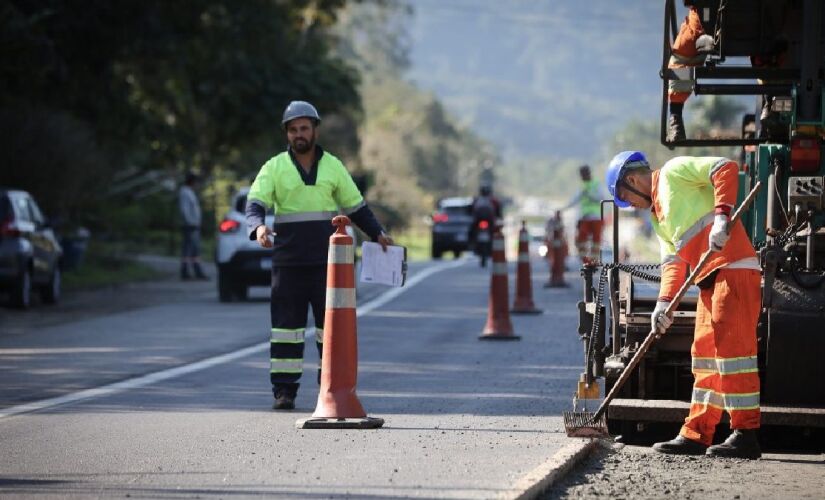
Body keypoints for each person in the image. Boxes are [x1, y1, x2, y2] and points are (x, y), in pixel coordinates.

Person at [606, 151, 762, 460]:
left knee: (733, 353)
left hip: (733, 268)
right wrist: (663, 304)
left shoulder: (675, 172)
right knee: (704, 355)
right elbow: (673, 264)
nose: (631, 206)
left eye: (626, 199)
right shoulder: (658, 216)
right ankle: (697, 433)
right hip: (709, 280)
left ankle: (746, 433)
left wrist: (721, 217)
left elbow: (724, 168)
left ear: (633, 180)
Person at [245, 100, 393, 411]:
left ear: (314, 130)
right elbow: (255, 203)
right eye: (293, 130)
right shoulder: (274, 167)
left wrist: (377, 233)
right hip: (288, 264)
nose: (299, 134)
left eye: (304, 128)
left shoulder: (333, 167)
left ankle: (329, 387)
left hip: (328, 266)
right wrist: (258, 228)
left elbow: (356, 207)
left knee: (330, 331)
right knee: (286, 330)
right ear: (287, 134)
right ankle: (284, 392)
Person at [666, 0, 714, 142]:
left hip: (704, 30)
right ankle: (771, 104)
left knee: (679, 61)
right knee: (770, 56)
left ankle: (676, 121)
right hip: (753, 32)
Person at [562, 165, 606, 265]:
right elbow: (574, 200)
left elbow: (601, 197)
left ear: (588, 173)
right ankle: (585, 261)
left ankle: (594, 261)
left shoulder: (596, 184)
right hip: (584, 217)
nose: (582, 177)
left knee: (596, 241)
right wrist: (563, 209)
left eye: (583, 174)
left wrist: (589, 194)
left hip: (596, 217)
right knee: (580, 240)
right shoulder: (582, 186)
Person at [178, 172, 209, 280]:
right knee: (189, 249)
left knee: (194, 249)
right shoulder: (185, 193)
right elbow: (185, 210)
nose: (198, 185)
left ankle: (196, 270)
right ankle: (186, 271)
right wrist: (190, 222)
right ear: (193, 182)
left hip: (194, 225)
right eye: (197, 182)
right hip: (190, 226)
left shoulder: (189, 192)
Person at [470, 184, 502, 267]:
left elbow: (498, 211)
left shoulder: (480, 200)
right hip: (481, 221)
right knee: (471, 231)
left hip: (487, 222)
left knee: (495, 232)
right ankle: (472, 245)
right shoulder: (478, 200)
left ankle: (474, 245)